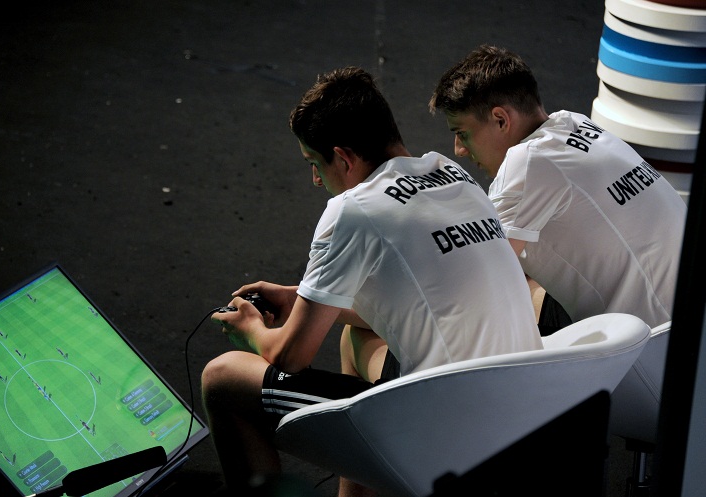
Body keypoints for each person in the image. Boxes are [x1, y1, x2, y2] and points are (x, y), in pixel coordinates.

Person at [201, 66, 543, 496]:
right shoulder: (454, 177)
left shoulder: (353, 209)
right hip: (525, 414)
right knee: (355, 338)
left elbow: (290, 356)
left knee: (222, 379)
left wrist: (249, 327)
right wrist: (298, 298)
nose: (314, 178)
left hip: (447, 436)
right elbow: (417, 299)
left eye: (314, 163)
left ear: (343, 158)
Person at [428, 44, 686, 331]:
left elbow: (474, 284)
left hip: (650, 348)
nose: (459, 150)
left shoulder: (530, 161)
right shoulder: (576, 123)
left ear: (501, 120)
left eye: (462, 133)